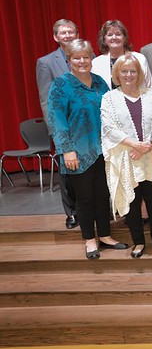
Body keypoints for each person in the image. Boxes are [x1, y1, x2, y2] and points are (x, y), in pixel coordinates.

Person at [48, 39, 126, 259]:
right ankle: (89, 239)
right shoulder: (61, 85)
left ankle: (104, 235)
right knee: (84, 198)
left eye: (86, 57)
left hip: (104, 150)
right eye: (76, 57)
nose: (82, 61)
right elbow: (57, 119)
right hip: (77, 152)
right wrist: (67, 150)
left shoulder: (100, 82)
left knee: (103, 195)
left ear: (92, 58)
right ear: (68, 60)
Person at [100, 54, 152, 258]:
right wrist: (134, 145)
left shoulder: (151, 95)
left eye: (133, 71)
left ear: (139, 73)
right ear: (117, 74)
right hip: (126, 157)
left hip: (149, 155)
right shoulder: (109, 98)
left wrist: (145, 145)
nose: (129, 75)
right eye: (124, 71)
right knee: (132, 202)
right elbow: (109, 127)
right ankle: (138, 242)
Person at [36, 18, 79, 229]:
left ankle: (91, 209)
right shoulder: (46, 62)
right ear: (56, 37)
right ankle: (71, 213)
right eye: (64, 32)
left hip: (86, 124)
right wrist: (53, 128)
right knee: (67, 171)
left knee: (89, 169)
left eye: (71, 32)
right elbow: (45, 99)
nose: (68, 35)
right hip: (63, 124)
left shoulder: (86, 55)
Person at [91, 20, 152, 90]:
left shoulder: (139, 59)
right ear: (104, 39)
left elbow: (150, 87)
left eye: (118, 34)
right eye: (110, 35)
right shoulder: (96, 63)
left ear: (125, 38)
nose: (114, 37)